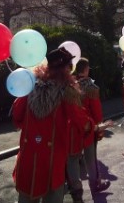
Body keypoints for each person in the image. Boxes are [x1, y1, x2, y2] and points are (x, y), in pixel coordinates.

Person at [11, 47, 91, 203]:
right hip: (52, 160)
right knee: (52, 196)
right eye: (69, 66)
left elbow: (17, 116)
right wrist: (92, 127)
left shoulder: (29, 86)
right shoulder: (66, 91)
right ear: (65, 68)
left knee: (26, 196)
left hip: (28, 158)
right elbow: (80, 120)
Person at [66, 58, 110, 202]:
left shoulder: (69, 85)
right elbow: (97, 112)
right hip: (88, 128)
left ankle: (75, 190)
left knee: (73, 159)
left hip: (72, 129)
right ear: (86, 69)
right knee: (90, 159)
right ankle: (95, 185)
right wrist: (99, 127)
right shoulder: (91, 87)